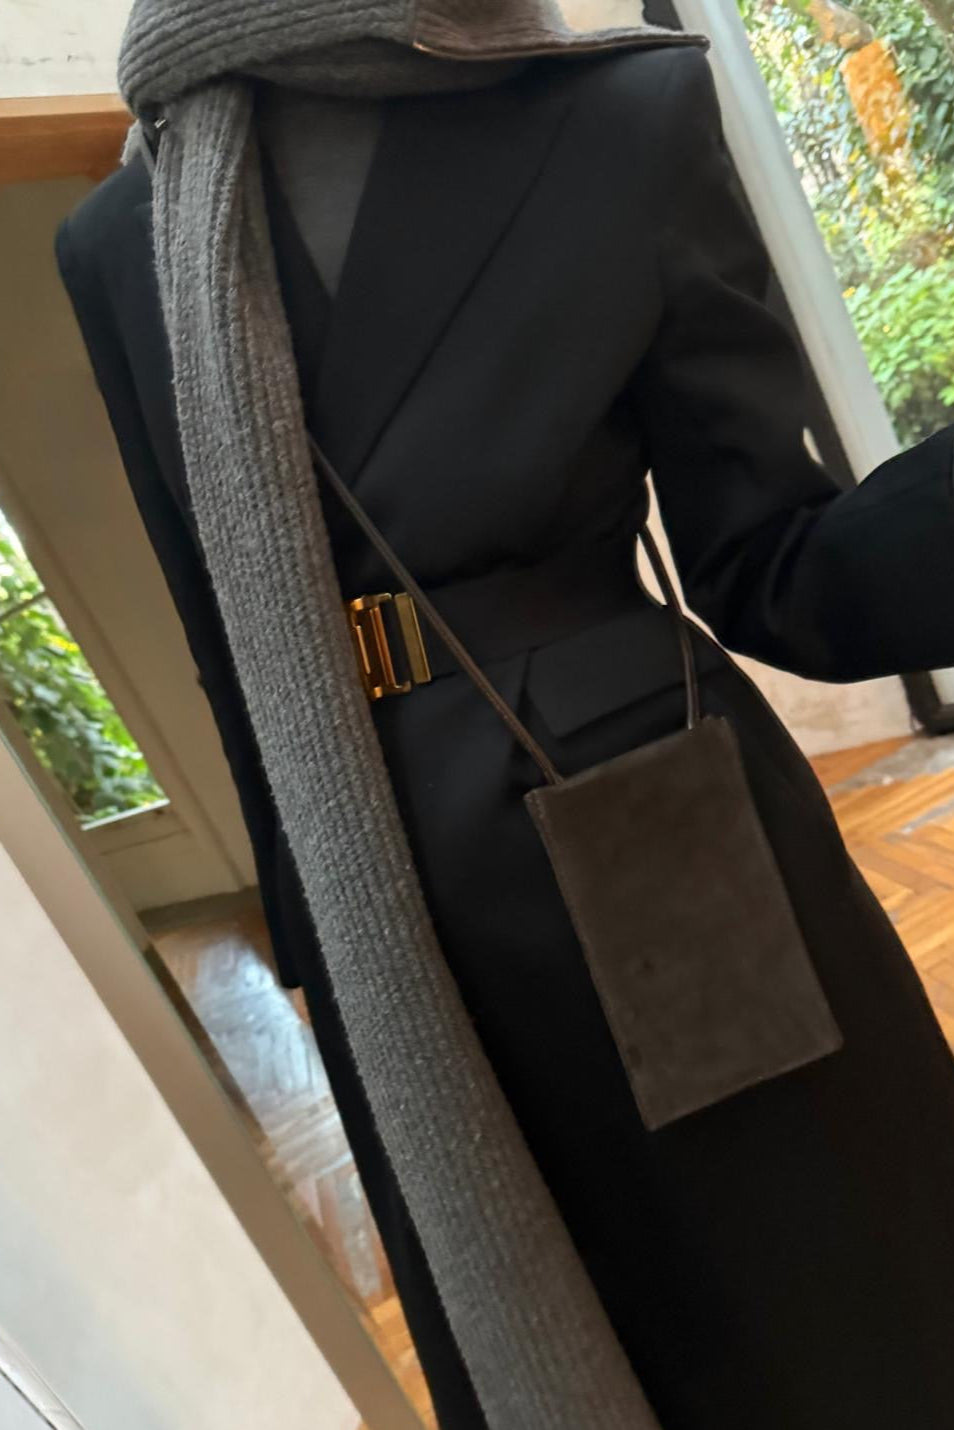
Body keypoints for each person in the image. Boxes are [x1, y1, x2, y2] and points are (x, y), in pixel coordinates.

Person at [56, 3, 954, 1426]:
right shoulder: (121, 237)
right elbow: (223, 638)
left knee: (828, 1299)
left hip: (656, 830)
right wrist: (309, 934)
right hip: (375, 898)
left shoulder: (618, 118)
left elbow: (770, 563)